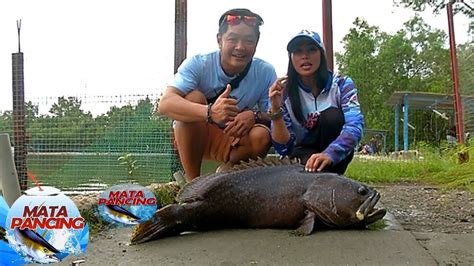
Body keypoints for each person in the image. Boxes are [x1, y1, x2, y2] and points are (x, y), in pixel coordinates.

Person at [159, 8, 277, 182]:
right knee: (193, 98)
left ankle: (225, 175)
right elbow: (165, 104)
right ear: (219, 40)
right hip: (192, 137)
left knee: (262, 136)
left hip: (232, 137)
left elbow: (276, 115)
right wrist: (209, 112)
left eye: (248, 40)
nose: (240, 47)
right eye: (233, 39)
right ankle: (193, 182)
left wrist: (254, 115)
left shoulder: (265, 71)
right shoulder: (199, 64)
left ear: (256, 42)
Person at [268, 30, 364, 174]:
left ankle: (333, 178)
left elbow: (355, 125)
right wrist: (275, 111)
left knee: (333, 116)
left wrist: (330, 153)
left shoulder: (342, 84)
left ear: (321, 54)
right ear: (291, 58)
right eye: (298, 51)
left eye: (311, 50)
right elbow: (283, 148)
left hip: (334, 154)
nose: (305, 56)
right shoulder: (283, 91)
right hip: (299, 157)